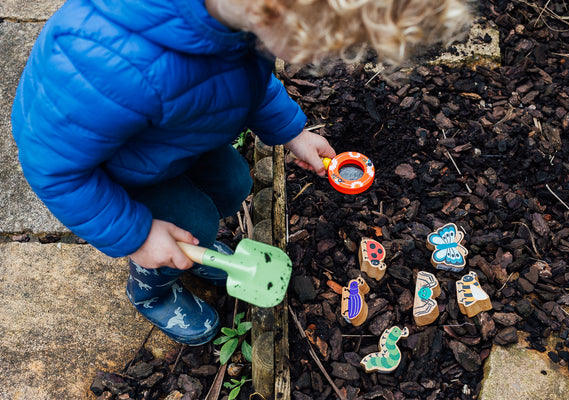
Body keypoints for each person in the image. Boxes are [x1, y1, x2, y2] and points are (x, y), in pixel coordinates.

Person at [11, 0, 470, 345]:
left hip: (175, 140)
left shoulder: (236, 24)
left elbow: (247, 84)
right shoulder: (105, 60)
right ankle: (150, 291)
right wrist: (136, 234)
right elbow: (54, 169)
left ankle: (196, 250)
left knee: (235, 185)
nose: (312, 61)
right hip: (115, 178)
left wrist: (292, 132)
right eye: (315, 46)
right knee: (193, 225)